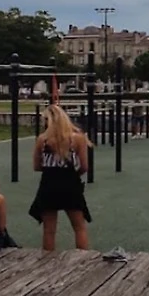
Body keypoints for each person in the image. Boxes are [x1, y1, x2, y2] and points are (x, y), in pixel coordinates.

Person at [29, 104, 92, 251]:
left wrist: (51, 167)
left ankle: (48, 259)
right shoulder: (78, 139)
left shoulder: (42, 140)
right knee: (79, 227)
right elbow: (84, 166)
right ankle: (83, 258)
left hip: (49, 184)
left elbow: (37, 166)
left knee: (49, 230)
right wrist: (72, 175)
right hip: (70, 183)